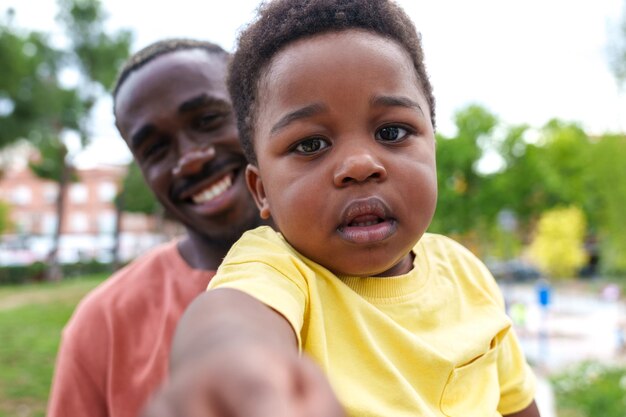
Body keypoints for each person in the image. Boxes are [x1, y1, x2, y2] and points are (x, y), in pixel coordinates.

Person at [143, 1, 541, 416]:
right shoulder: (280, 271)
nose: (359, 165)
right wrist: (225, 365)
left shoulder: (466, 273)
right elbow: (232, 318)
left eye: (392, 131)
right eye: (310, 145)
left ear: (433, 149)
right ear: (261, 191)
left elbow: (516, 402)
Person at [47, 39, 266, 417]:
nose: (190, 160)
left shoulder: (376, 266)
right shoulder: (103, 324)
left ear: (258, 112)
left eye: (208, 120)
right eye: (155, 148)